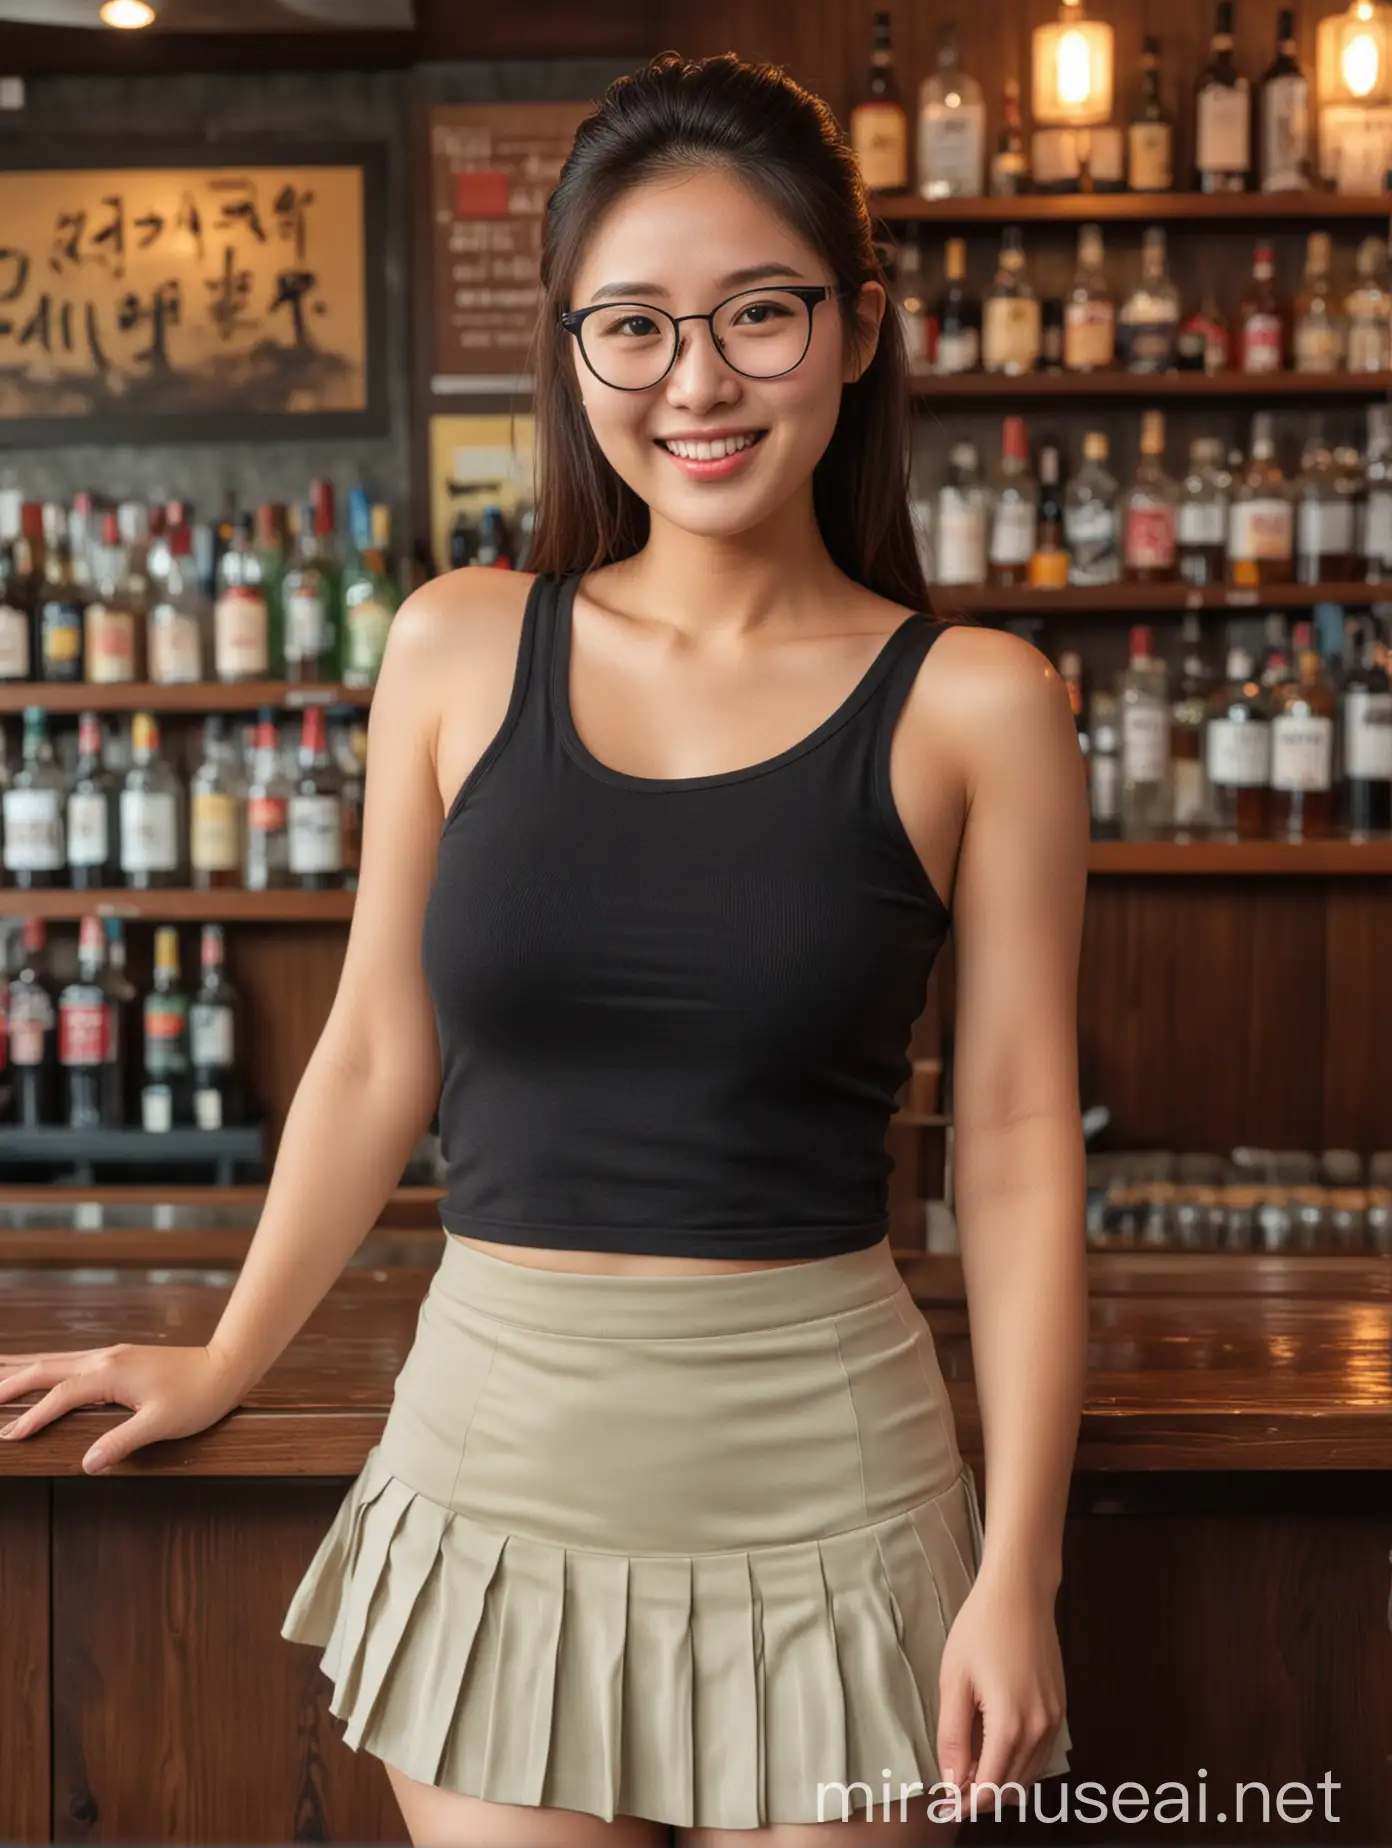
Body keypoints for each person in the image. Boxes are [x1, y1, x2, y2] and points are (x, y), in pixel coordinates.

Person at [0, 50, 1088, 1848]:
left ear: (861, 326)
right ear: (575, 353)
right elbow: (369, 1054)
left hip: (836, 1479)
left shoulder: (978, 703)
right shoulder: (454, 646)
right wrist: (223, 1354)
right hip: (494, 1468)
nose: (700, 382)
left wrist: (1018, 1564)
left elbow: (1025, 1141)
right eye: (635, 328)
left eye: (758, 314)